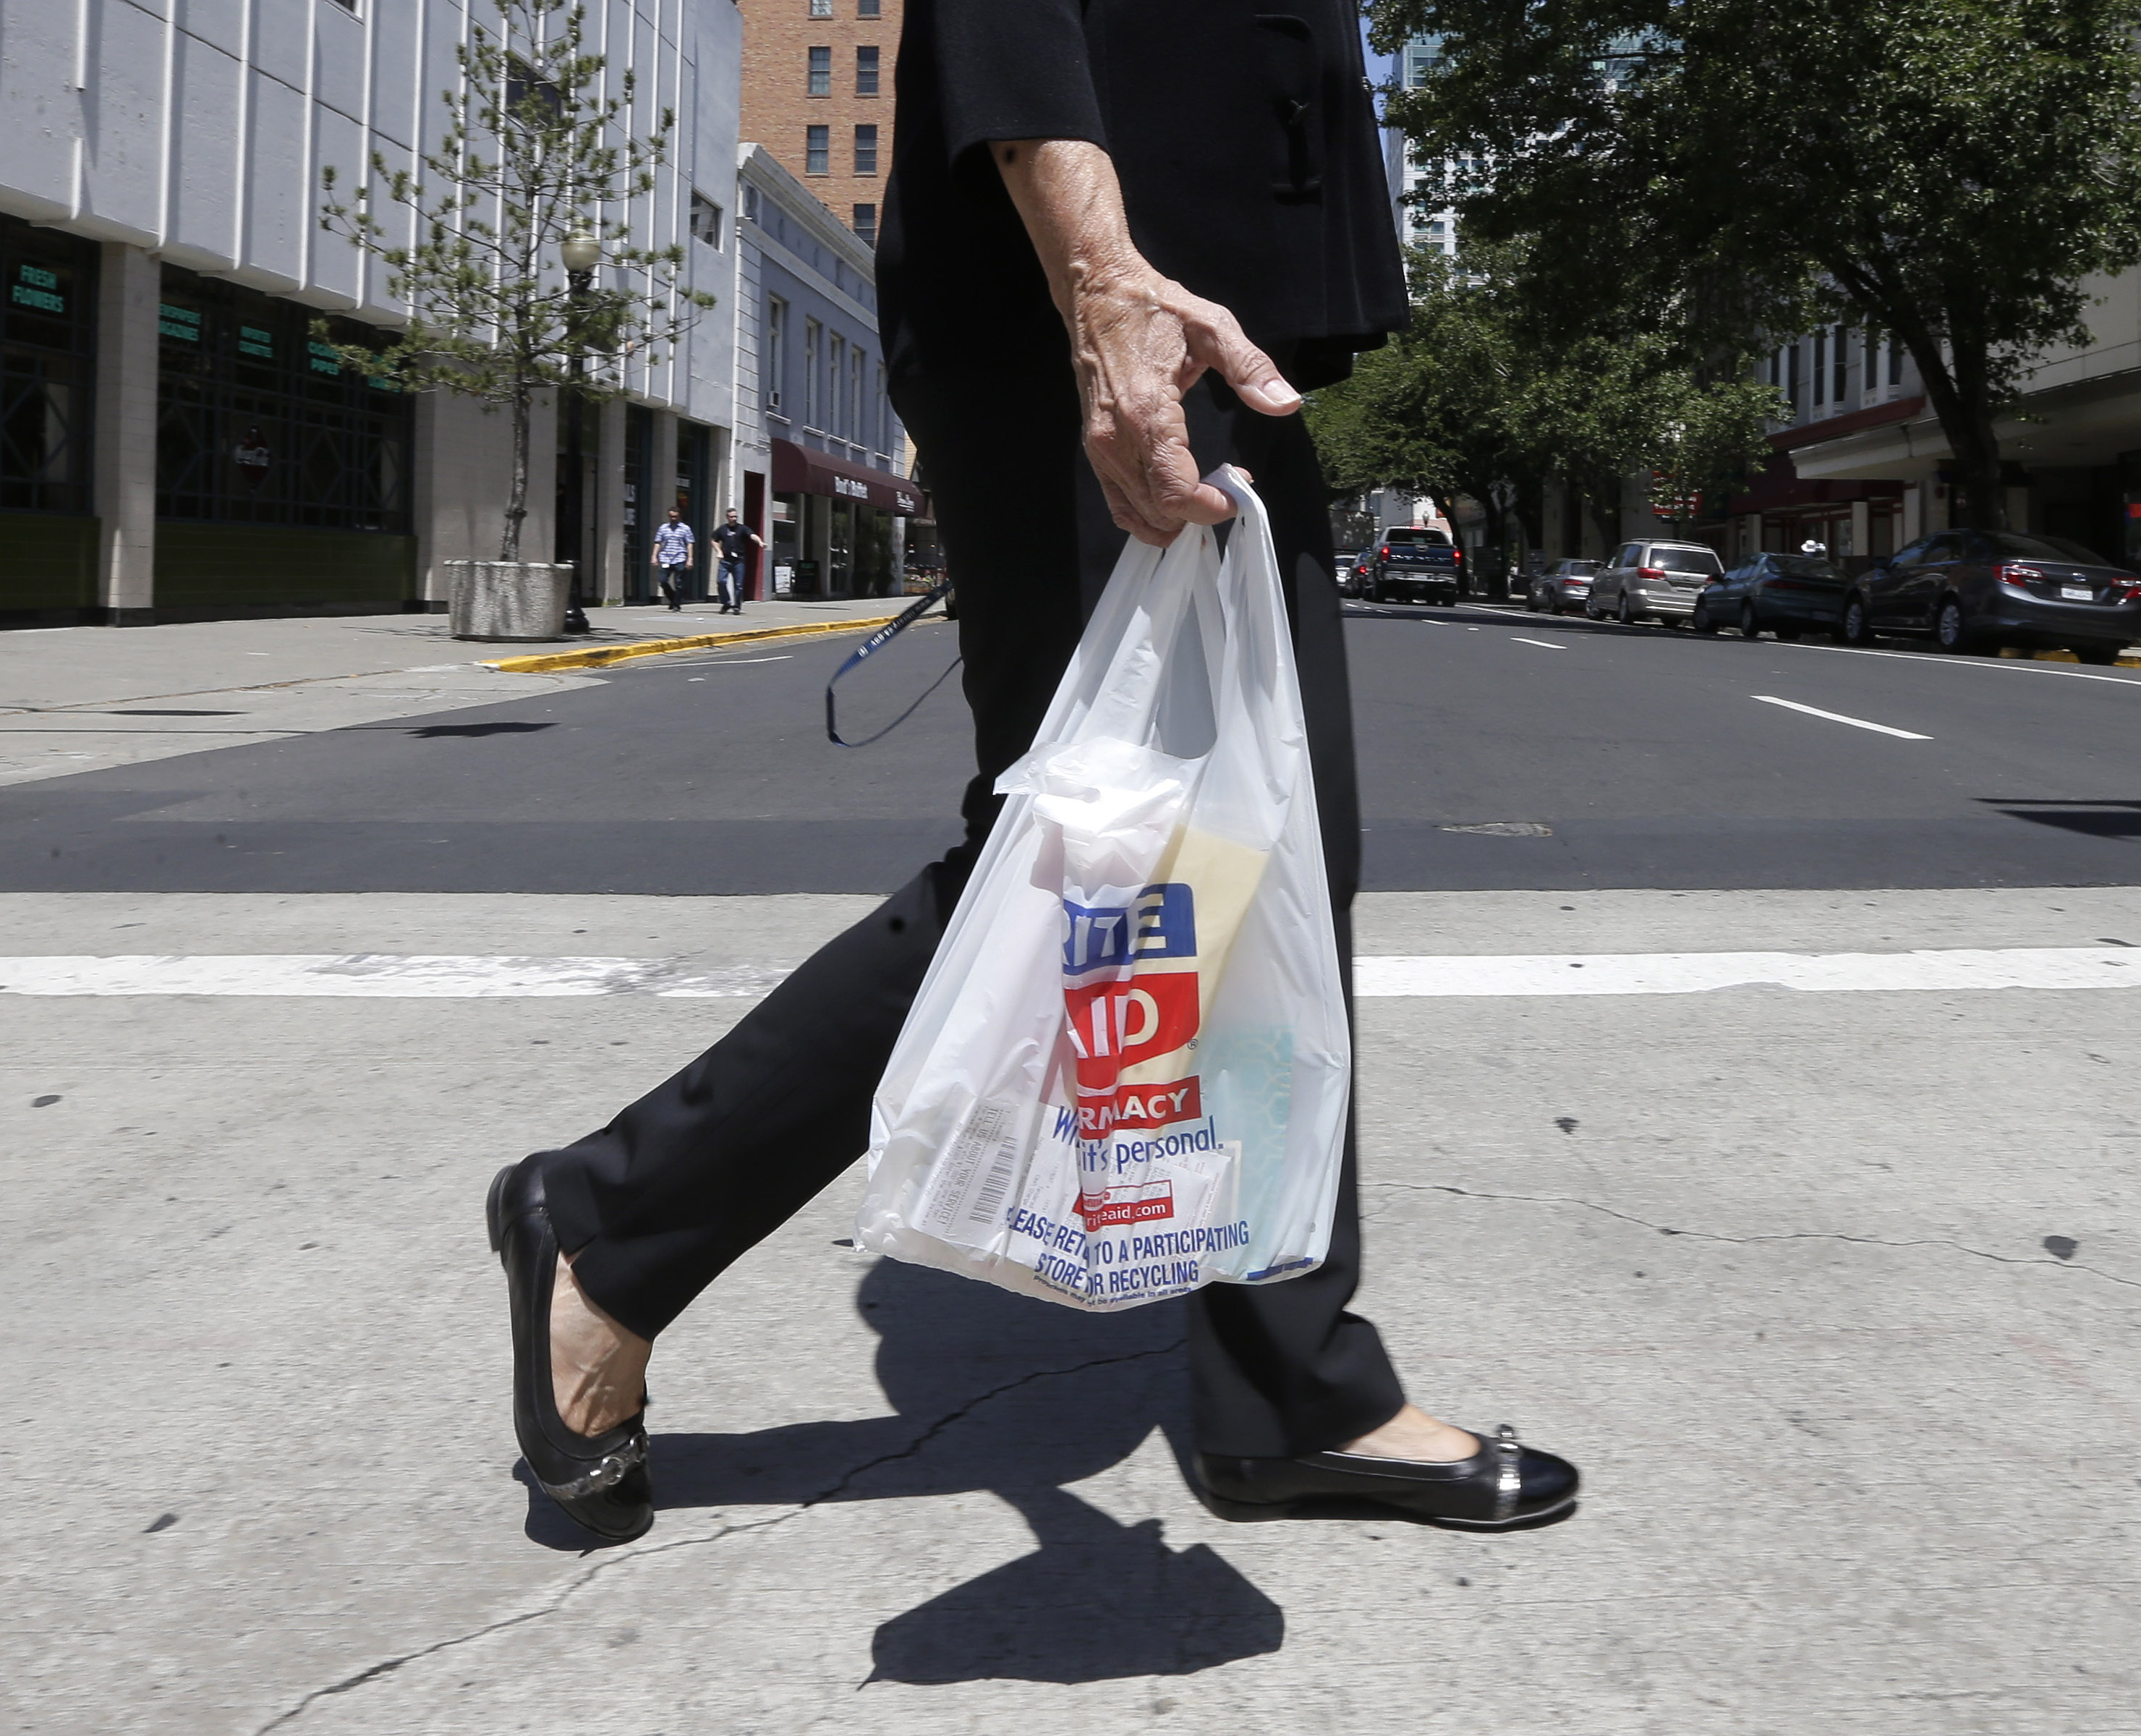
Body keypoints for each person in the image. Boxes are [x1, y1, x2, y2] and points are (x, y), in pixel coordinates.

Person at [485, 0, 1580, 1546]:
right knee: (1097, 859)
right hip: (1092, 292)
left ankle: (1280, 1378)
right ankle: (605, 1225)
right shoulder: (1099, 294)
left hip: (1202, 304)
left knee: (1242, 853)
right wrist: (1099, 282)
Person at [709, 508, 760, 615]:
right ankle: (726, 603)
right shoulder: (722, 529)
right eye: (732, 517)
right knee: (721, 582)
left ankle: (737, 606)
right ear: (727, 517)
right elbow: (714, 541)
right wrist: (719, 551)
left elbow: (752, 535)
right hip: (725, 560)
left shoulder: (742, 529)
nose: (734, 519)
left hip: (739, 561)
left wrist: (760, 542)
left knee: (739, 585)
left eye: (735, 516)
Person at [652, 509, 696, 611]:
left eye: (675, 516)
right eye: (671, 516)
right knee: (662, 580)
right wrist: (654, 556)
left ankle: (676, 604)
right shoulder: (663, 528)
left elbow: (690, 544)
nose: (673, 518)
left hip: (680, 557)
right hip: (666, 558)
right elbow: (658, 542)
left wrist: (690, 558)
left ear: (679, 516)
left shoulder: (685, 528)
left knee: (679, 582)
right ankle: (673, 599)